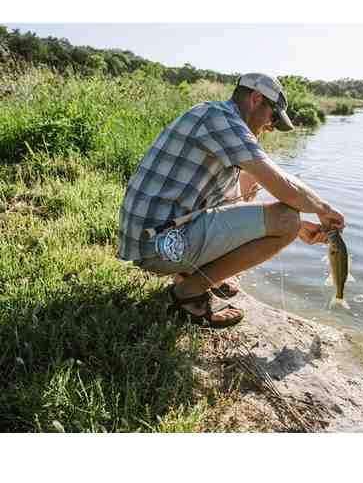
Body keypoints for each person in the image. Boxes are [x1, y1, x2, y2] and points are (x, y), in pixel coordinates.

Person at [117, 72, 345, 327]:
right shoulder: (222, 119)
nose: (270, 126)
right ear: (256, 99)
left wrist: (299, 227)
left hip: (152, 236)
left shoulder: (215, 117)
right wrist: (323, 209)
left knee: (251, 183)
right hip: (157, 244)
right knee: (286, 218)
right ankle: (189, 291)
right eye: (273, 117)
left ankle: (193, 272)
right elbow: (283, 185)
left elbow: (232, 199)